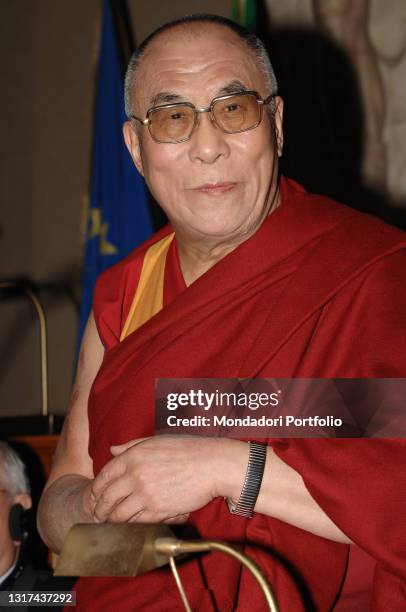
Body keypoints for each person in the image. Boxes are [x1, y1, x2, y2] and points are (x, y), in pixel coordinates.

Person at [37, 14, 406, 611]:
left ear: (277, 125)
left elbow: (392, 495)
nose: (208, 147)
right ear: (135, 147)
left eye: (233, 109)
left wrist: (231, 468)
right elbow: (65, 525)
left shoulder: (368, 273)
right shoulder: (127, 294)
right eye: (172, 118)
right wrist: (108, 510)